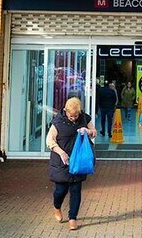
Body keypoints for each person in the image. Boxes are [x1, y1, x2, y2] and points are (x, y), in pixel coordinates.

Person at [46, 97, 97, 231]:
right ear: (65, 111)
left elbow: (94, 132)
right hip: (62, 161)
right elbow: (49, 140)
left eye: (75, 115)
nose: (73, 118)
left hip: (78, 160)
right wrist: (61, 153)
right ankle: (57, 207)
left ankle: (73, 218)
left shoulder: (85, 118)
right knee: (60, 190)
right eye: (71, 115)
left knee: (76, 190)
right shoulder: (57, 122)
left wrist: (88, 131)